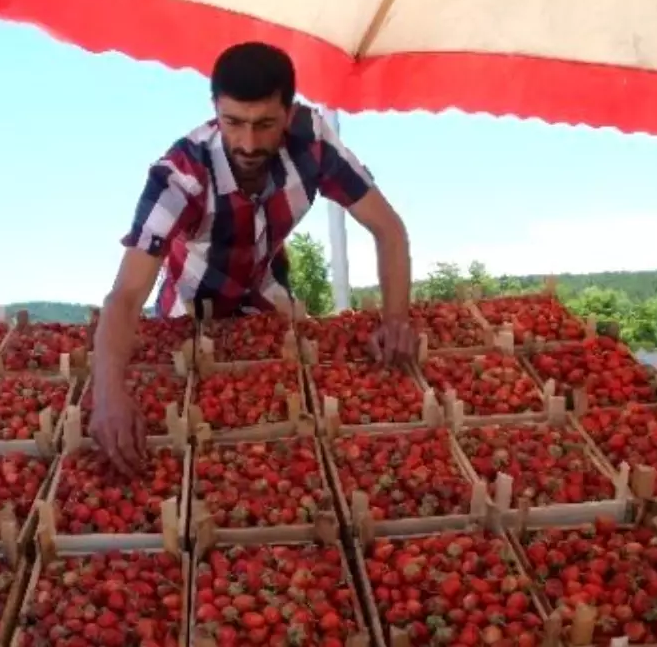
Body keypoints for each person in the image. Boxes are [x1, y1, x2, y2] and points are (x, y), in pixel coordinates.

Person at [90, 41, 414, 473]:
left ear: (288, 110)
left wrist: (395, 319)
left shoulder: (312, 143)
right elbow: (126, 294)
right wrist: (108, 395)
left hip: (267, 302)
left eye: (265, 124)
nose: (248, 142)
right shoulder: (181, 175)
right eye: (233, 122)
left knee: (284, 433)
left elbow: (389, 229)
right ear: (214, 109)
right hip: (188, 314)